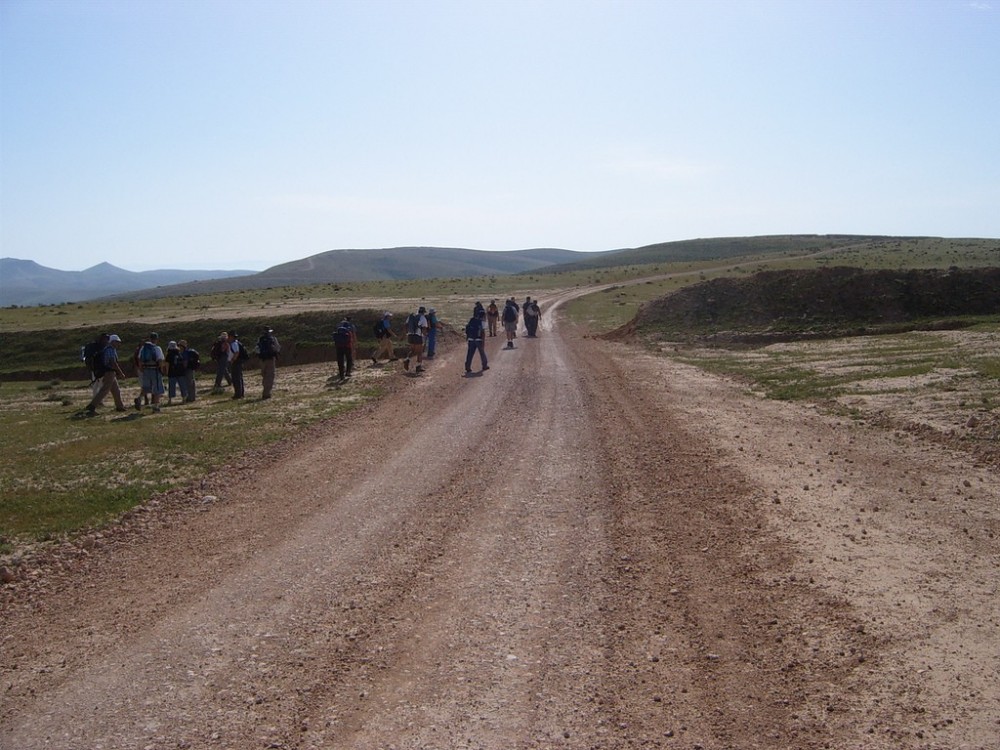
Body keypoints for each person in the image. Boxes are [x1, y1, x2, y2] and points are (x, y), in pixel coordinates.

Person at [85, 334, 127, 415]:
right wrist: (121, 373)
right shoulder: (110, 350)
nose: (119, 344)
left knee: (116, 390)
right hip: (109, 372)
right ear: (113, 342)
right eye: (117, 342)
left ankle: (120, 406)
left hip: (109, 372)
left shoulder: (107, 349)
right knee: (105, 390)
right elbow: (113, 362)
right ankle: (92, 406)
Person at [134, 332, 166, 413]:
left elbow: (140, 359)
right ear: (156, 339)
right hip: (155, 369)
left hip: (146, 370)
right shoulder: (157, 348)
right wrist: (161, 370)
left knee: (146, 387)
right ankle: (156, 407)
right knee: (157, 389)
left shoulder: (143, 348)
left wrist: (141, 368)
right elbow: (160, 360)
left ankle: (139, 398)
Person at [402, 306, 429, 373]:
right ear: (423, 312)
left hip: (410, 335)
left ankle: (407, 359)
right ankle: (418, 367)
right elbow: (424, 329)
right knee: (419, 352)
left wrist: (406, 333)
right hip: (417, 336)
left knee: (413, 350)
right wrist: (425, 336)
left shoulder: (411, 316)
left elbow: (405, 325)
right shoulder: (423, 318)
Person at [256, 326, 280, 399]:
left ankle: (265, 390)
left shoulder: (260, 339)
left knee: (264, 374)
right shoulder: (273, 339)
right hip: (270, 359)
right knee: (270, 375)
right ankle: (266, 393)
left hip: (262, 359)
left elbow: (256, 349)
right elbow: (277, 348)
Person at [464, 308, 489, 375]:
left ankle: (467, 367)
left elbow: (467, 329)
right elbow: (483, 333)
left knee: (470, 354)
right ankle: (484, 365)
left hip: (471, 339)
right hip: (478, 340)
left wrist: (467, 337)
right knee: (482, 353)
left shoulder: (471, 320)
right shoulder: (482, 322)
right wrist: (483, 342)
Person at [227, 331, 246, 399]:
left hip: (236, 362)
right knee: (238, 378)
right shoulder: (236, 343)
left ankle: (238, 394)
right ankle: (241, 393)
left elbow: (236, 352)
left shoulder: (234, 344)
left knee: (236, 378)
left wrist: (232, 360)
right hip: (238, 362)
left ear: (231, 337)